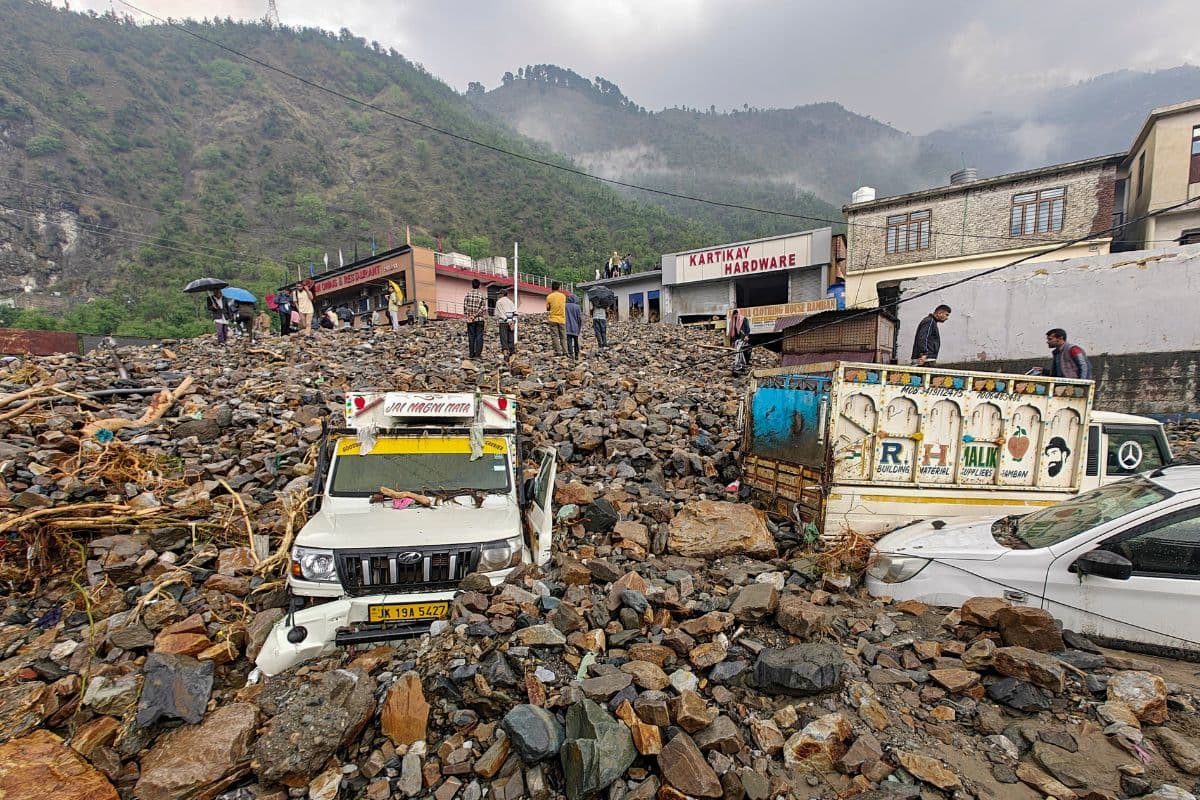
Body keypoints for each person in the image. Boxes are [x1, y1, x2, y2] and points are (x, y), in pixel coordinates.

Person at [463, 278, 487, 358]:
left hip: (470, 320)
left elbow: (465, 307)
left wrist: (469, 316)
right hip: (479, 319)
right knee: (479, 336)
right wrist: (475, 315)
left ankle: (471, 354)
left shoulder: (467, 295)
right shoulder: (481, 295)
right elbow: (482, 308)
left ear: (472, 285)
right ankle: (477, 354)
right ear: (479, 286)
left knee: (471, 336)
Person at [494, 285, 517, 357]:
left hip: (503, 322)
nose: (499, 295)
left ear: (502, 294)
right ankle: (512, 353)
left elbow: (500, 313)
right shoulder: (511, 302)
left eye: (499, 294)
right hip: (511, 322)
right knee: (511, 337)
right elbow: (515, 313)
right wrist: (513, 321)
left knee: (503, 338)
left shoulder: (499, 302)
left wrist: (507, 320)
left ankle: (505, 354)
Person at [546, 281, 567, 356]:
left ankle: (558, 352)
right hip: (562, 319)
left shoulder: (549, 297)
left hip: (553, 319)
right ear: (559, 288)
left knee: (555, 336)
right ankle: (565, 351)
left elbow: (548, 309)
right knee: (563, 336)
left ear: (552, 288)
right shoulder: (563, 296)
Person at [565, 293, 582, 360]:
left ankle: (570, 354)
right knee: (576, 341)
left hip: (567, 327)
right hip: (575, 327)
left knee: (569, 341)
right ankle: (576, 354)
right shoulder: (577, 307)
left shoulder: (565, 306)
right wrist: (579, 327)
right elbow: (579, 318)